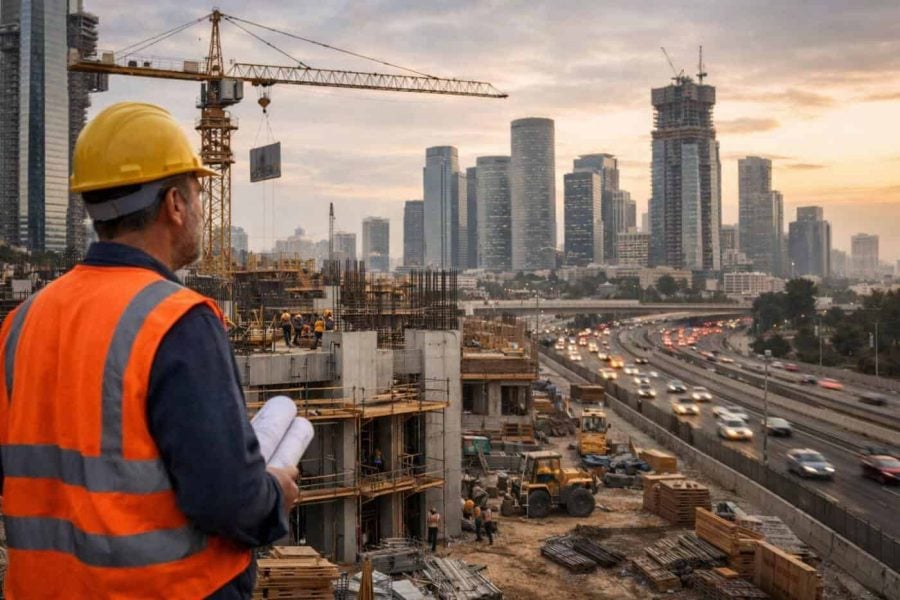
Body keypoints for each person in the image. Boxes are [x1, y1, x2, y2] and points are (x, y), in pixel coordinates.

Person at [0, 102, 299, 598]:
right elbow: (227, 500)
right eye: (200, 192)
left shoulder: (20, 323)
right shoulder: (177, 320)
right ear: (175, 204)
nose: (203, 209)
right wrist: (274, 495)